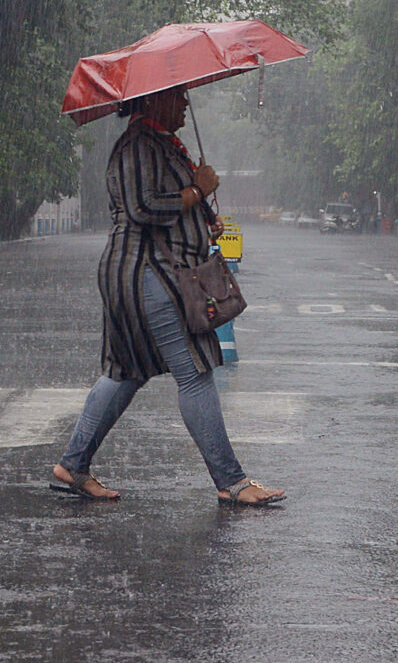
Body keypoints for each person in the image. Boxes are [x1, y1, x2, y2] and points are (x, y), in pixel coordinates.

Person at [52, 86, 284, 506]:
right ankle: (232, 481)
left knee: (127, 370)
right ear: (152, 99)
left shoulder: (161, 144)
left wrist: (201, 217)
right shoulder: (138, 145)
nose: (185, 104)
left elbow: (169, 207)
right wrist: (195, 190)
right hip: (145, 273)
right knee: (194, 372)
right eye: (177, 97)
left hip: (142, 272)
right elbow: (143, 208)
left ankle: (74, 463)